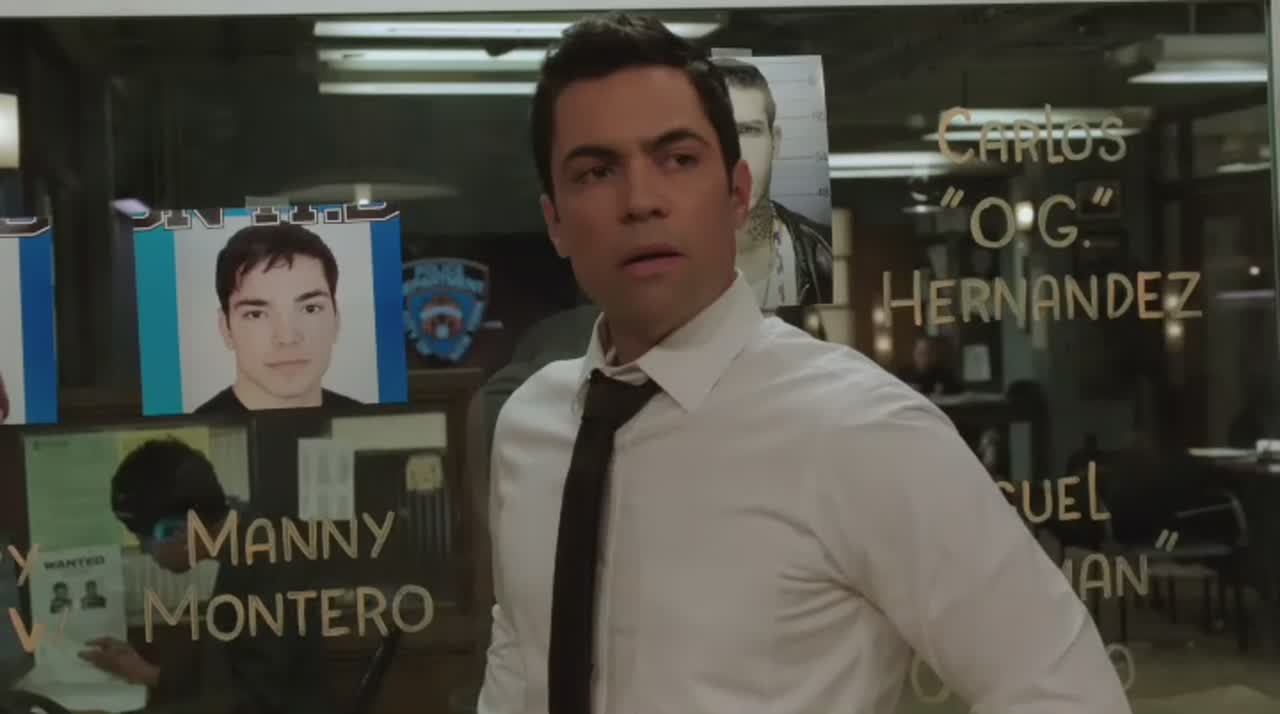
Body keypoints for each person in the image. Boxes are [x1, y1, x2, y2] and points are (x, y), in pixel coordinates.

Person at [479, 13, 1129, 714]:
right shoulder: (531, 428)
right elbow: (519, 666)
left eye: (678, 159)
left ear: (737, 195)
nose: (641, 201)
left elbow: (1067, 694)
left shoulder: (860, 429)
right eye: (597, 171)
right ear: (555, 221)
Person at [80, 439, 336, 714]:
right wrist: (148, 674)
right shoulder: (247, 544)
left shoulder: (270, 563)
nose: (143, 549)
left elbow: (254, 701)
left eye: (143, 537)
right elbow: (228, 678)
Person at [195, 223, 360, 413]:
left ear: (336, 319)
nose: (287, 339)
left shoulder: (365, 420)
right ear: (226, 328)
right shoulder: (194, 426)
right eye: (256, 314)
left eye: (310, 309)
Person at [715, 57, 832, 308]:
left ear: (775, 143)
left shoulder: (824, 255)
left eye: (748, 131)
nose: (735, 154)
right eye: (718, 133)